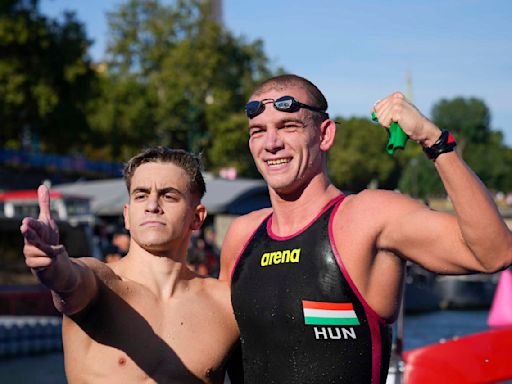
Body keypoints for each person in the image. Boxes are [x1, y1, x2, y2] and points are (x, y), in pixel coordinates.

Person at [219, 74, 512, 383]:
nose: (271, 143)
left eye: (288, 127)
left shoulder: (367, 217)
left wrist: (434, 140)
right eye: (258, 131)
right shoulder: (242, 235)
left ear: (325, 135)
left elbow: (494, 254)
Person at [21, 147, 240, 383]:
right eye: (141, 195)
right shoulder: (102, 285)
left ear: (197, 217)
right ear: (127, 215)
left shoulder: (225, 304)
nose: (152, 205)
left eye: (169, 195)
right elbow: (69, 281)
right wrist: (51, 264)